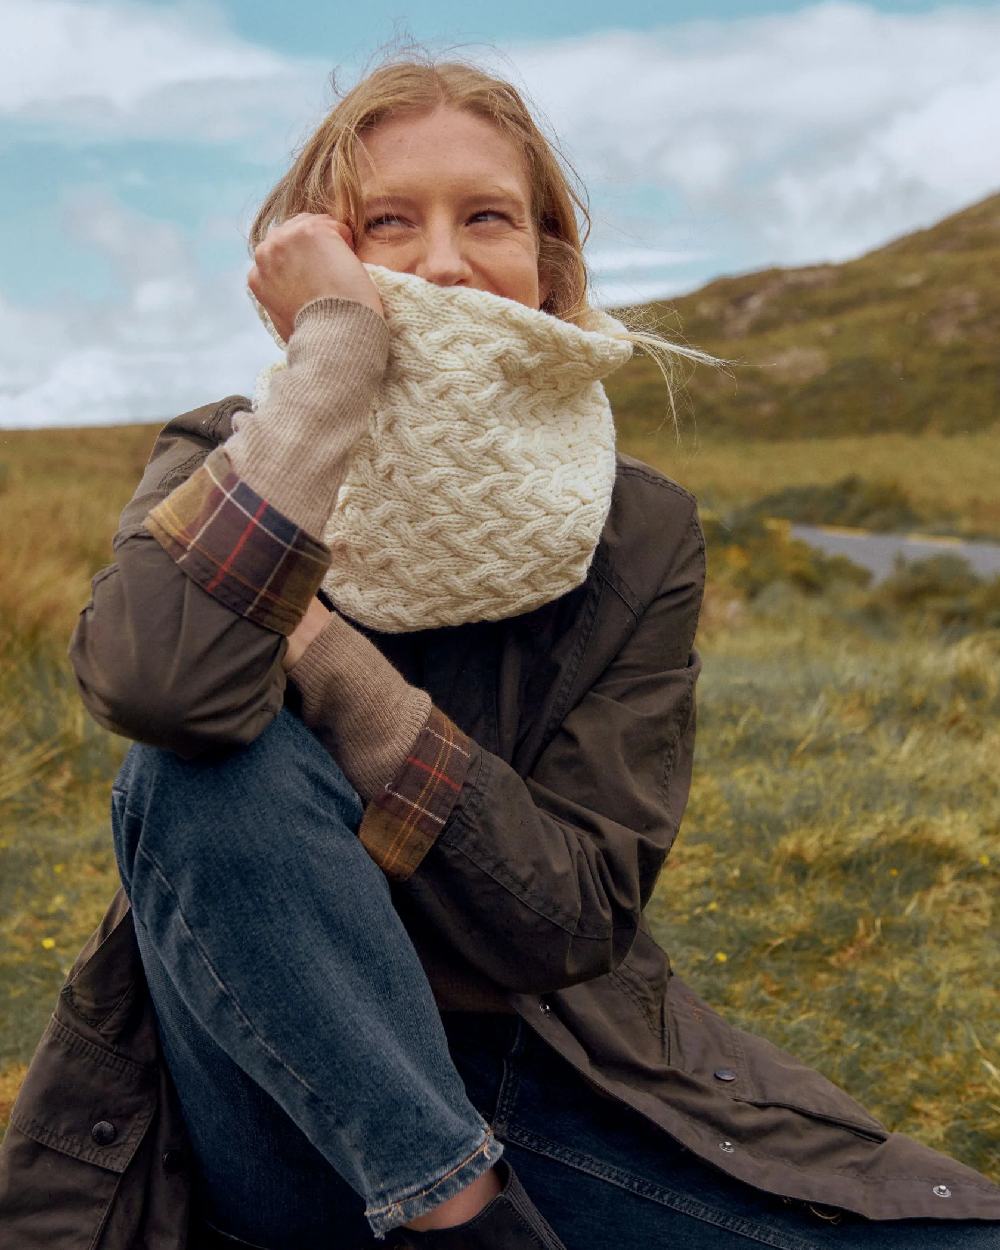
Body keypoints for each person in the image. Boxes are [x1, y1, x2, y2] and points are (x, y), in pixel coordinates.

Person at [1, 57, 999, 1250]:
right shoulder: (222, 461)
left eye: (487, 217)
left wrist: (324, 654)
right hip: (272, 1095)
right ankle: (459, 1215)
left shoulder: (635, 529)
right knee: (204, 769)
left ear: (549, 263)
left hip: (546, 1073)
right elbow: (163, 693)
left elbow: (571, 916)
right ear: (317, 262)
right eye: (386, 225)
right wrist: (332, 371)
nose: (439, 261)